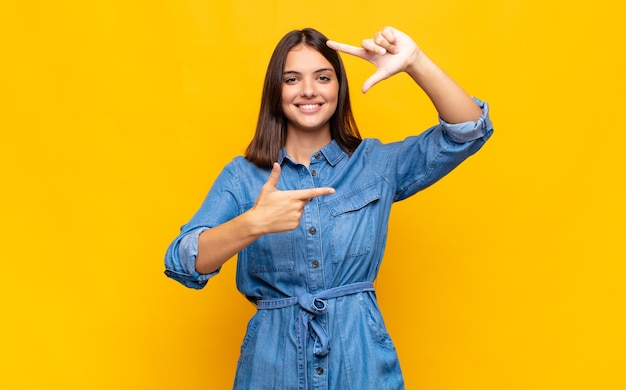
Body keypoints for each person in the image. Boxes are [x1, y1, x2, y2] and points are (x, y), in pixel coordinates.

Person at [164, 25, 493, 390]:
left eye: (323, 77)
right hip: (272, 368)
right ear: (276, 90)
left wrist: (415, 61)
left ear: (339, 87)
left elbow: (468, 130)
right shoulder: (242, 176)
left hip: (361, 360)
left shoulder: (376, 163)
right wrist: (252, 223)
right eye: (292, 79)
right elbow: (181, 262)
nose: (309, 90)